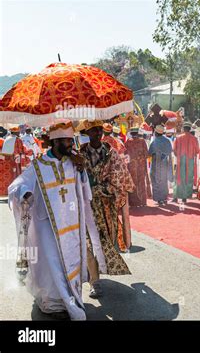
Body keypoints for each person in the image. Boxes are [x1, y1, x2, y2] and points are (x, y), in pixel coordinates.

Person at [8, 120, 104, 320]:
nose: (71, 144)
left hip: (72, 225)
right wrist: (24, 193)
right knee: (51, 265)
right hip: (48, 227)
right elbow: (18, 184)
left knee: (71, 261)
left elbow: (85, 190)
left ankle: (71, 296)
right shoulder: (39, 165)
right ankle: (53, 301)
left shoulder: (74, 163)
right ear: (55, 141)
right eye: (67, 140)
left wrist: (82, 170)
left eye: (71, 140)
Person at [80, 120, 133, 298]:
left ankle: (98, 271)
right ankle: (94, 282)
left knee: (105, 241)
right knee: (87, 242)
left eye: (100, 130)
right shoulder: (78, 155)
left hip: (105, 206)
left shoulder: (112, 153)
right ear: (86, 132)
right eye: (94, 130)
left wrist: (103, 189)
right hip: (85, 207)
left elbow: (121, 179)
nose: (98, 133)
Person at [0, 126, 32, 196]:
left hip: (8, 162)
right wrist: (30, 152)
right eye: (18, 131)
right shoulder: (17, 140)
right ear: (16, 132)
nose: (19, 133)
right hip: (17, 162)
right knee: (17, 177)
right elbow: (22, 150)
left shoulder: (7, 139)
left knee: (10, 177)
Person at [172, 122, 199, 203]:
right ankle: (185, 197)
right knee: (188, 177)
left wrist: (178, 156)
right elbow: (197, 151)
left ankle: (176, 196)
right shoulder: (194, 139)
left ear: (183, 129)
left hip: (180, 159)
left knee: (178, 178)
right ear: (190, 129)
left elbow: (174, 150)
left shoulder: (178, 138)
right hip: (190, 160)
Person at [125, 127, 149, 207]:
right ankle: (142, 202)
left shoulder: (128, 142)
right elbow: (146, 154)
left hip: (132, 166)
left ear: (131, 134)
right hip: (141, 166)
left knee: (133, 182)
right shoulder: (142, 141)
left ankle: (134, 202)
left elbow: (126, 155)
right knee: (141, 182)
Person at [149, 125, 173, 206]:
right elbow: (170, 151)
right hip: (164, 163)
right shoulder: (167, 141)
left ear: (156, 132)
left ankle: (159, 199)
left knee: (155, 180)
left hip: (156, 163)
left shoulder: (154, 142)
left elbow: (149, 153)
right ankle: (164, 198)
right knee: (164, 180)